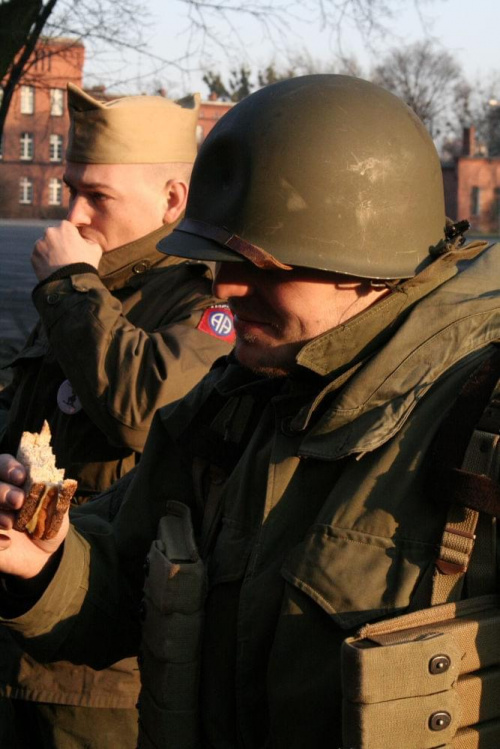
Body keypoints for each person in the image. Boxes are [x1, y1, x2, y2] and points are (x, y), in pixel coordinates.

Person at [0, 74, 499, 748]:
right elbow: (124, 566)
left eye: (261, 263)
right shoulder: (238, 394)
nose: (227, 287)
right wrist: (48, 560)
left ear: (366, 264)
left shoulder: (479, 424)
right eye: (218, 258)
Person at [0, 84, 235, 748]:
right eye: (69, 187)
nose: (71, 214)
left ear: (172, 198)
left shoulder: (203, 300)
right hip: (17, 628)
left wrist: (70, 287)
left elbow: (148, 411)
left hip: (95, 683)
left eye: (96, 196)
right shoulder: (97, 278)